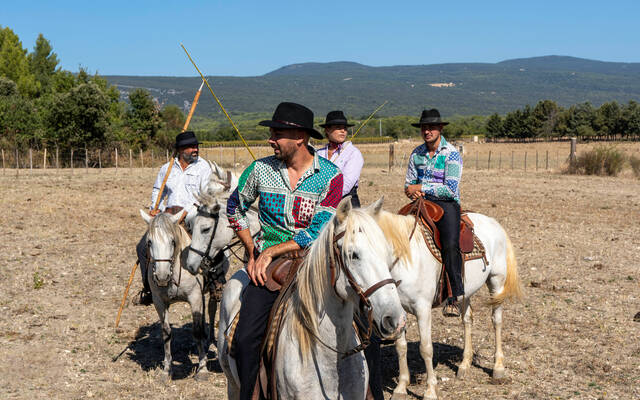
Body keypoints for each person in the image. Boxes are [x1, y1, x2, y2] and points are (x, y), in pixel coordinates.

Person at [227, 102, 343, 400]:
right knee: (245, 338)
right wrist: (254, 251)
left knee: (363, 325)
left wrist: (275, 249)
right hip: (270, 267)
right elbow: (234, 207)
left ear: (300, 138)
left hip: (317, 261)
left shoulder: (331, 176)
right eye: (272, 133)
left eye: (277, 133)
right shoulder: (259, 170)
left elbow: (320, 227)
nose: (271, 139)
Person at [317, 110, 382, 399]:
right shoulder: (316, 152)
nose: (341, 131)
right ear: (328, 130)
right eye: (336, 127)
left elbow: (343, 185)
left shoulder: (353, 155)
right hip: (318, 211)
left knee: (359, 267)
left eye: (344, 127)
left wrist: (317, 191)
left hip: (345, 209)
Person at [133, 131, 212, 306]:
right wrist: (155, 208)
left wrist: (187, 211)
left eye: (196, 146)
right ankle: (148, 289)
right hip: (167, 216)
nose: (195, 149)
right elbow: (157, 190)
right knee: (142, 247)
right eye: (191, 147)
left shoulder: (203, 167)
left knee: (206, 243)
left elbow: (205, 194)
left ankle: (214, 282)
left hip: (192, 213)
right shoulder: (166, 168)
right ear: (179, 150)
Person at [404, 109, 464, 317]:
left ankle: (454, 295)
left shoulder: (452, 154)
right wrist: (413, 191)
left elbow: (451, 189)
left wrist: (422, 187)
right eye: (424, 127)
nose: (427, 131)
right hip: (420, 202)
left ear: (440, 129)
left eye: (431, 127)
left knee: (450, 243)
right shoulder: (416, 153)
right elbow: (408, 185)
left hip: (446, 204)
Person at [316, 110, 364, 207]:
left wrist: (323, 198)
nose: (343, 131)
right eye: (338, 128)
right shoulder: (318, 154)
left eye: (345, 128)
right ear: (327, 130)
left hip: (346, 204)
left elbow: (345, 186)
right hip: (319, 202)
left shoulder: (353, 153)